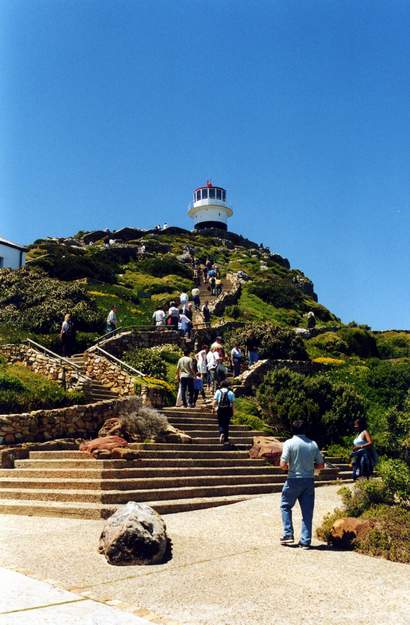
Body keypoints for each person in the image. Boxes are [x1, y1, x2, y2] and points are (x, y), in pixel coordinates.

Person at [279, 420, 324, 549]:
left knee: (285, 506)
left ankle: (288, 534)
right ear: (305, 430)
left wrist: (290, 467)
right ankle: (305, 541)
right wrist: (310, 466)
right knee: (307, 512)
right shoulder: (313, 444)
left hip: (293, 479)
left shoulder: (289, 443)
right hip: (309, 480)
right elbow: (321, 465)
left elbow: (283, 465)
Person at [213, 380, 235, 445]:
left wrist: (213, 408)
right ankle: (226, 440)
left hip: (220, 409)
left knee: (220, 422)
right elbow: (233, 404)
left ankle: (221, 433)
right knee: (226, 424)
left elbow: (214, 402)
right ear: (227, 386)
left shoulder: (218, 391)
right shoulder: (231, 392)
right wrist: (233, 412)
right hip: (228, 409)